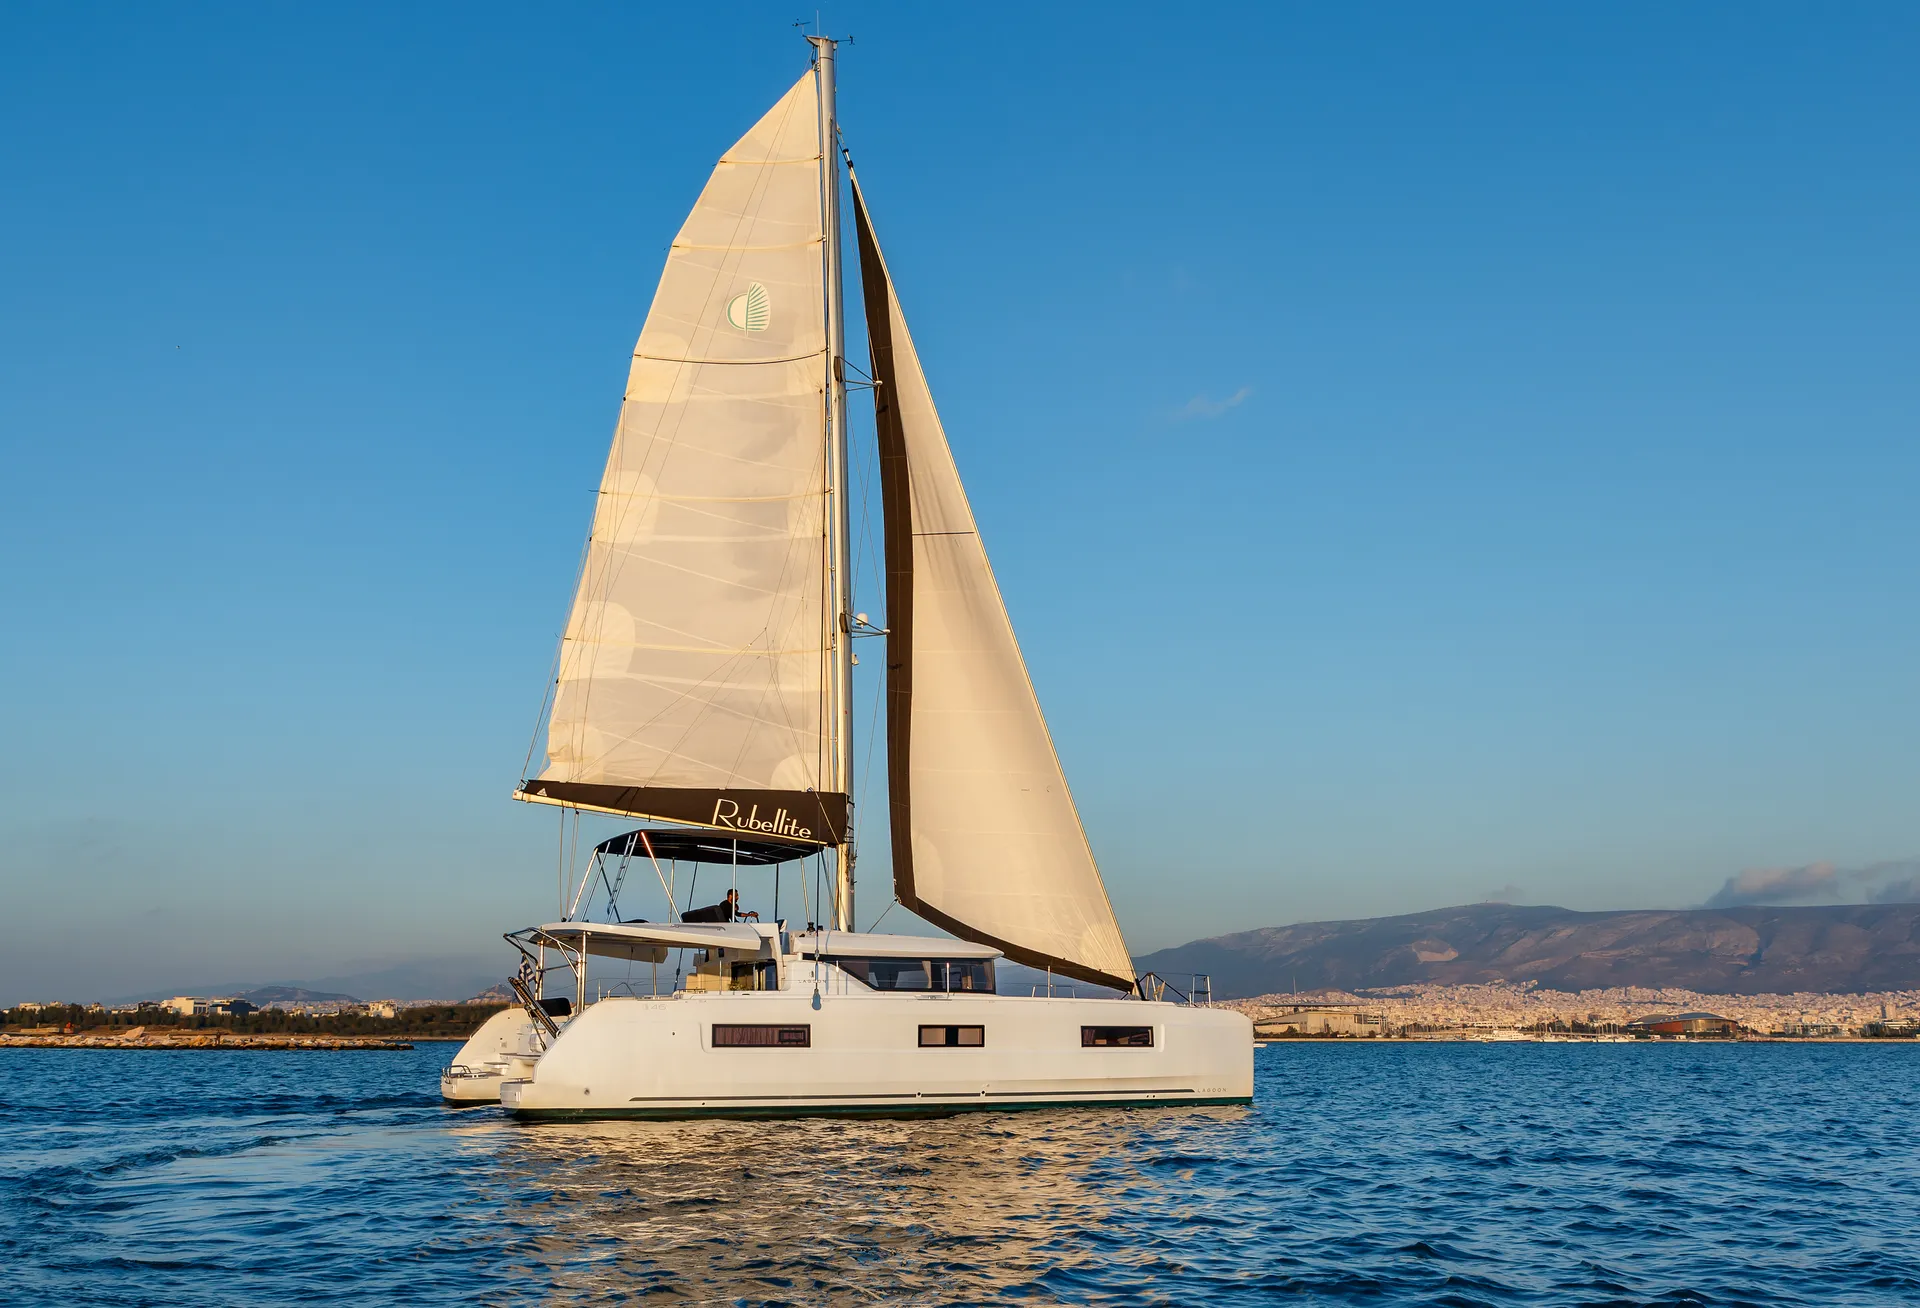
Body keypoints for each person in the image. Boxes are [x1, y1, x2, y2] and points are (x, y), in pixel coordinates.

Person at [683, 888, 759, 924]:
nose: (738, 897)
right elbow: (735, 915)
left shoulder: (731, 905)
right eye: (736, 896)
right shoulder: (725, 905)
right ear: (730, 896)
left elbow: (736, 914)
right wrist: (749, 915)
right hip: (724, 926)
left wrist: (749, 915)